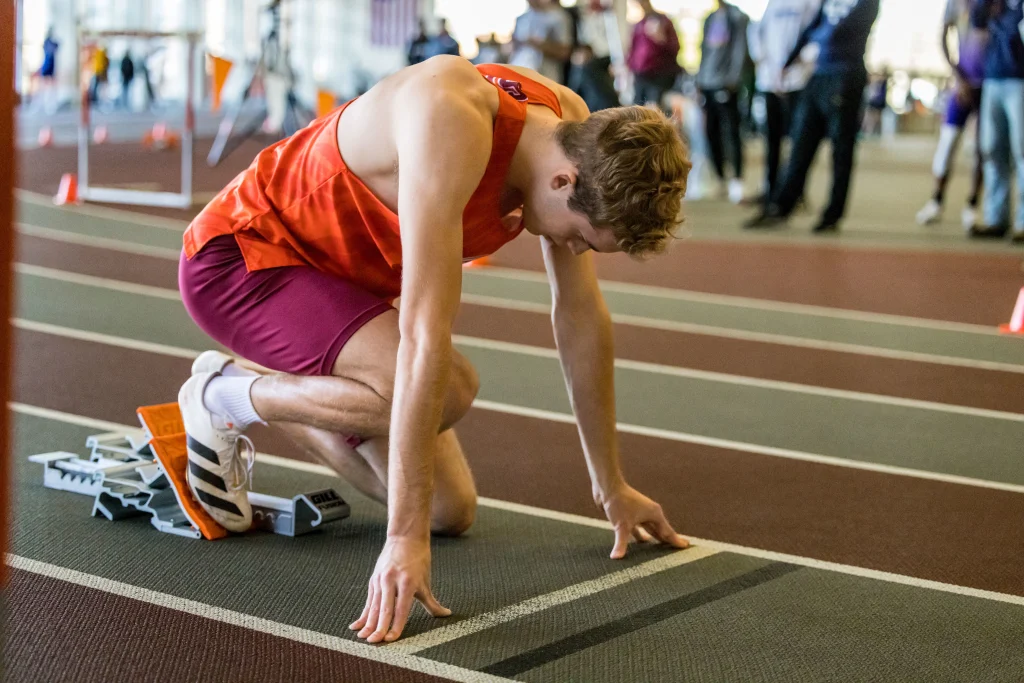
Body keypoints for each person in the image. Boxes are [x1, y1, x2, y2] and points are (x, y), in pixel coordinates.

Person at [177, 56, 691, 645]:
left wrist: (611, 486)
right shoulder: (449, 115)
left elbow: (580, 318)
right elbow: (425, 334)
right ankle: (221, 399)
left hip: (341, 292)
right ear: (563, 180)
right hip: (245, 260)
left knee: (448, 511)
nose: (572, 249)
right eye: (579, 236)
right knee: (449, 390)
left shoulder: (571, 128)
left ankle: (256, 389)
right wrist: (401, 538)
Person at [745, 0, 881, 233]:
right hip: (819, 76)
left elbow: (841, 31)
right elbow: (814, 27)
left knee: (841, 149)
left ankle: (832, 214)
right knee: (801, 142)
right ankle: (780, 206)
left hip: (845, 76)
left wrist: (818, 39)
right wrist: (788, 62)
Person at [916, 0, 986, 229]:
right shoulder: (956, 3)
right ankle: (936, 200)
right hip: (962, 84)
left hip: (990, 83)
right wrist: (958, 75)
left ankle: (972, 206)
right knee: (947, 143)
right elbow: (943, 36)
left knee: (982, 149)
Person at [747, 0, 821, 209]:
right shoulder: (773, 4)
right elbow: (757, 33)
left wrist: (798, 64)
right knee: (771, 139)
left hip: (799, 80)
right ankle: (770, 189)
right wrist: (766, 65)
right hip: (770, 81)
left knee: (799, 142)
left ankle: (794, 191)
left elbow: (815, 34)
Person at [967, 0, 1024, 243]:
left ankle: (1023, 222)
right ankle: (995, 218)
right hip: (993, 77)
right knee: (991, 149)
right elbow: (976, 21)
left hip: (1019, 80)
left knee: (1022, 149)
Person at [696, 0, 750, 205]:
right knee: (710, 131)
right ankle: (720, 177)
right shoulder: (710, 18)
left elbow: (740, 50)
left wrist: (733, 80)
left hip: (726, 83)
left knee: (731, 132)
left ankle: (737, 181)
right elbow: (703, 50)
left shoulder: (738, 17)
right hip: (707, 82)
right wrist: (699, 79)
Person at [627, 0, 681, 113]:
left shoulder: (663, 21)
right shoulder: (639, 25)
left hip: (659, 74)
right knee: (637, 109)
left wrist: (660, 39)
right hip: (641, 74)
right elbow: (632, 48)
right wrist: (629, 66)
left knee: (656, 108)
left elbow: (675, 47)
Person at [509, 0, 574, 84]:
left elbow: (565, 52)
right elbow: (512, 50)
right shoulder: (521, 19)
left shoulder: (559, 17)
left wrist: (539, 45)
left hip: (546, 78)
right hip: (516, 77)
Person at [569, 43, 620, 111]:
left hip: (606, 106)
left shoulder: (595, 64)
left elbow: (614, 59)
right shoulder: (577, 73)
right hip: (597, 108)